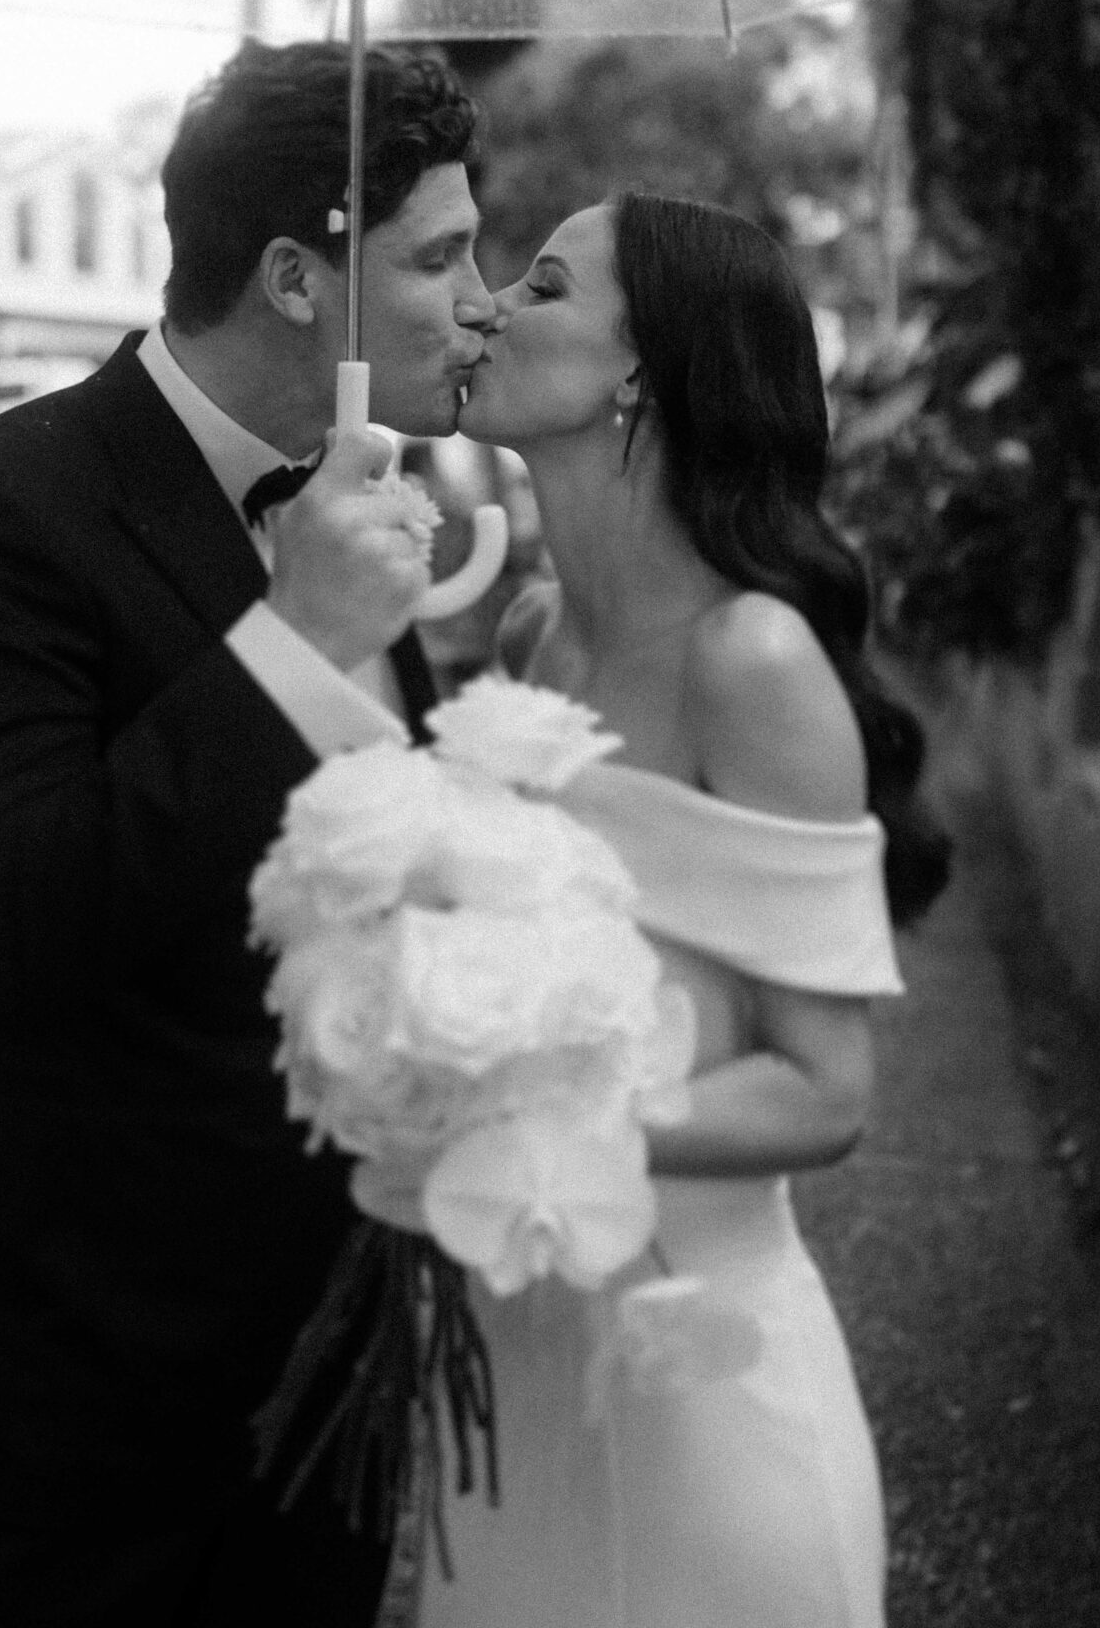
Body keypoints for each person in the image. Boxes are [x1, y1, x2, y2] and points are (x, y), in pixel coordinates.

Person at [0, 41, 496, 1626]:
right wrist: (290, 640)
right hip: (55, 1387)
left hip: (313, 1370)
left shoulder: (368, 497)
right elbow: (3, 926)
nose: (482, 299)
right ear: (299, 278)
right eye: (442, 257)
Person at [428, 190, 948, 1628]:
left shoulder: (754, 659)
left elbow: (826, 1093)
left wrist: (516, 1128)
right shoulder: (529, 632)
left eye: (536, 287)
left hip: (703, 1386)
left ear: (643, 368)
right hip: (509, 1386)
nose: (481, 306)